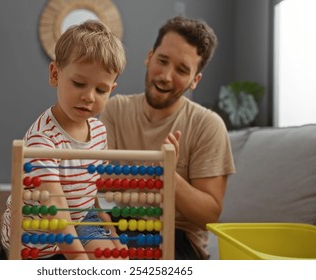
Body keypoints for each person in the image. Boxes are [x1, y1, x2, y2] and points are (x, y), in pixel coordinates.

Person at [99, 16, 236, 260]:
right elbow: (99, 186)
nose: (165, 75)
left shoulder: (208, 125)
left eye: (182, 70)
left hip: (177, 237)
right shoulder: (115, 110)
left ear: (195, 80)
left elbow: (208, 217)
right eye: (162, 61)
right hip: (115, 225)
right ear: (149, 57)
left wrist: (168, 176)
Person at [1, 20, 127, 260]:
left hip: (79, 216)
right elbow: (55, 214)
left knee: (115, 261)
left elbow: (91, 192)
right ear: (55, 74)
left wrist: (112, 236)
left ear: (112, 89)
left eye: (101, 90)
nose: (89, 97)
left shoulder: (99, 131)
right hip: (37, 231)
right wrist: (80, 260)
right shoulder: (42, 141)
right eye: (79, 84)